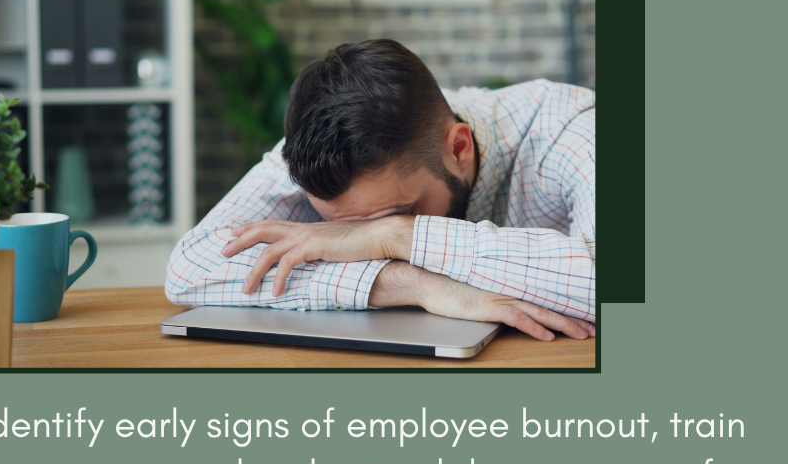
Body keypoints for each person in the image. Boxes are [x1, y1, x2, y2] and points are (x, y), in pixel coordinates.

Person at [166, 39, 595, 342]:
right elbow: (189, 267)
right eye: (341, 226)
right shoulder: (319, 149)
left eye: (397, 212)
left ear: (459, 149)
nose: (361, 238)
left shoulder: (571, 128)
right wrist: (412, 284)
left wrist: (394, 236)